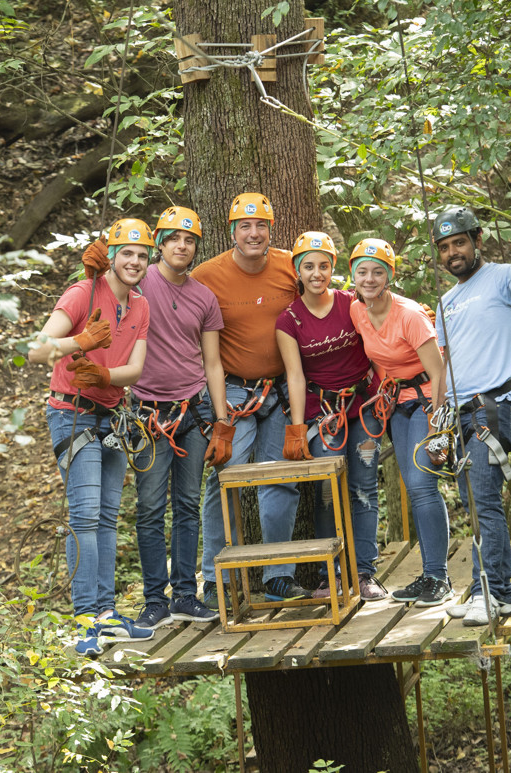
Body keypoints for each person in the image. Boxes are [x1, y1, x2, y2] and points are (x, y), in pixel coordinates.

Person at [432, 204, 511, 626]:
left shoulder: (504, 278)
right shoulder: (446, 300)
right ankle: (486, 590)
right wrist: (438, 420)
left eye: (460, 243)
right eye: (445, 246)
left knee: (485, 501)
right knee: (476, 502)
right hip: (460, 413)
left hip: (493, 409)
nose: (453, 252)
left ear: (477, 241)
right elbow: (444, 364)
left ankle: (494, 592)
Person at [29, 218, 155, 656]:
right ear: (112, 256)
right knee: (83, 516)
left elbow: (135, 371)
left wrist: (103, 373)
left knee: (105, 517)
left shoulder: (140, 306)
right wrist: (79, 341)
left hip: (112, 414)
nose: (135, 262)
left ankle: (105, 614)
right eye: (127, 254)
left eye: (142, 255)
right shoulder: (83, 293)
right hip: (73, 413)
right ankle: (87, 619)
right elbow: (37, 349)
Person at [192, 192, 307, 606]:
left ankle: (278, 576)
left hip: (279, 390)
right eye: (245, 226)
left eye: (261, 225)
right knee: (225, 479)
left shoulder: (289, 266)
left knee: (281, 480)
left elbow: (322, 297)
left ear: (270, 229)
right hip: (233, 392)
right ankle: (218, 576)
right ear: (232, 232)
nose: (254, 233)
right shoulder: (207, 275)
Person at [129, 206, 229, 629]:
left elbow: (213, 362)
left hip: (193, 410)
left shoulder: (204, 297)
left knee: (187, 505)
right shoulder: (138, 282)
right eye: (173, 238)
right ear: (159, 243)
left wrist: (221, 420)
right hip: (148, 413)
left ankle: (186, 594)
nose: (181, 246)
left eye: (189, 240)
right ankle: (155, 600)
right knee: (151, 508)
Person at [276, 231, 388, 602]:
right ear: (297, 270)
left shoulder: (351, 303)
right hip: (321, 415)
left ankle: (365, 572)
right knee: (327, 491)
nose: (317, 273)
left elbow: (381, 335)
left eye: (324, 266)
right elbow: (295, 375)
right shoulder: (289, 320)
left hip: (363, 408)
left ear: (333, 268)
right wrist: (295, 427)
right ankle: (331, 574)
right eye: (309, 266)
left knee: (363, 488)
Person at [347, 238, 453, 607]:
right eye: (362, 271)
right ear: (353, 276)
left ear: (389, 276)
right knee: (413, 486)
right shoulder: (357, 311)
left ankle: (439, 578)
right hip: (397, 405)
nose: (370, 278)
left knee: (423, 484)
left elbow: (439, 372)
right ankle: (428, 575)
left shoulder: (409, 315)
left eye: (378, 272)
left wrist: (440, 426)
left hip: (427, 401)